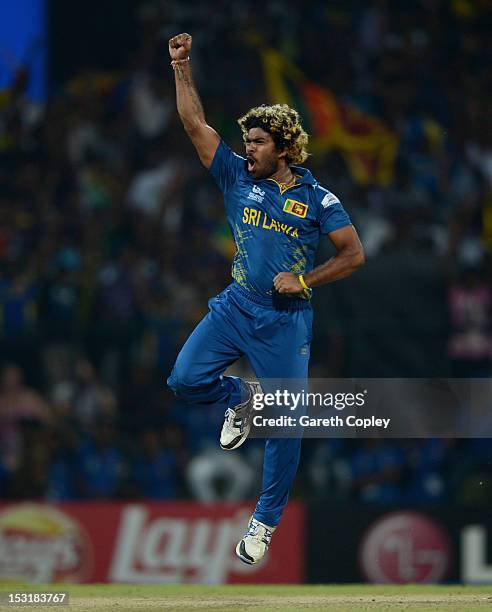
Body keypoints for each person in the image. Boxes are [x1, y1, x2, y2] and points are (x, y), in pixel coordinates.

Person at [167, 33, 365, 565]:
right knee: (185, 380)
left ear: (282, 148)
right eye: (246, 141)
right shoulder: (235, 175)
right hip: (236, 304)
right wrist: (182, 68)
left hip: (285, 319)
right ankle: (239, 398)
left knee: (288, 425)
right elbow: (194, 125)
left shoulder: (319, 198)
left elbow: (353, 255)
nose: (246, 148)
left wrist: (304, 282)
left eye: (256, 141)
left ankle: (263, 523)